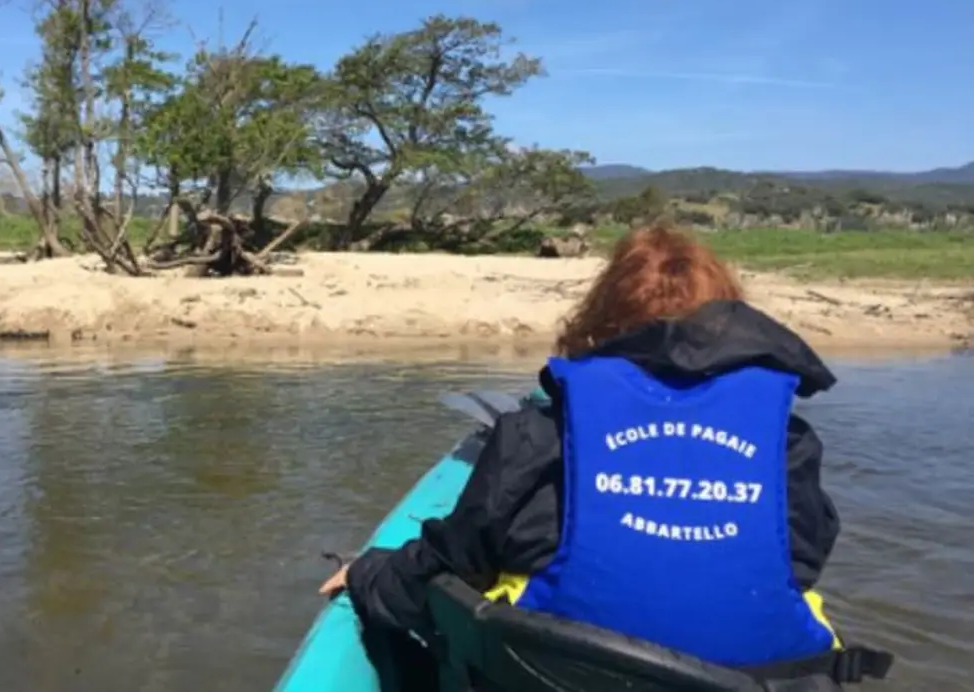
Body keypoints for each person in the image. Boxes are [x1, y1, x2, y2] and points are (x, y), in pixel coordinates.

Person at [319, 224, 860, 675]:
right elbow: (804, 561)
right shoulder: (786, 446)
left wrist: (368, 572)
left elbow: (451, 560)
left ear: (600, 323)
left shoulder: (538, 431)